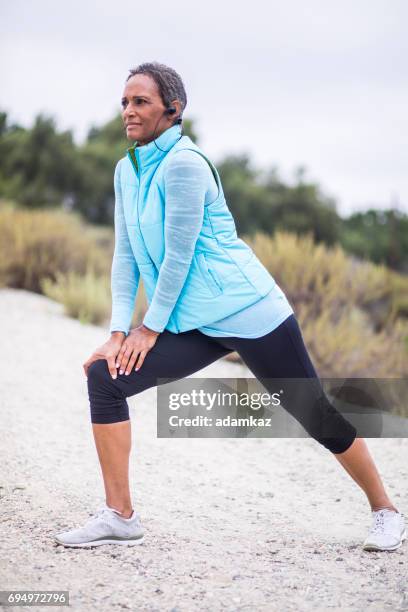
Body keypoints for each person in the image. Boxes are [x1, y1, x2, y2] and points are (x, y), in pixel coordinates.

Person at [54, 62, 406, 552]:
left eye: (141, 102)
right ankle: (120, 516)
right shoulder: (126, 169)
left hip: (249, 311)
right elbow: (127, 254)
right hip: (193, 319)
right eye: (124, 102)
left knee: (314, 414)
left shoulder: (184, 163)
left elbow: (178, 257)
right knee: (105, 378)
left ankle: (386, 510)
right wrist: (118, 332)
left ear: (173, 110)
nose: (128, 112)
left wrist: (148, 329)